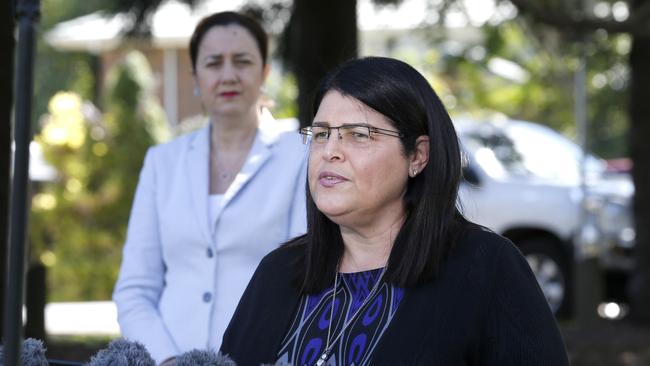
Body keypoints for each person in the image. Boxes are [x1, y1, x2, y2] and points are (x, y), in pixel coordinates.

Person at [220, 57, 570, 365]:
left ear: (418, 156)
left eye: (358, 135)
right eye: (322, 134)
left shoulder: (485, 268)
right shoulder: (279, 272)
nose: (331, 151)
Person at [112, 12, 307, 365]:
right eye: (214, 63)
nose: (228, 74)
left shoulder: (302, 156)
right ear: (196, 78)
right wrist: (168, 360)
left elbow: (305, 280)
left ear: (264, 72)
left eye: (243, 61)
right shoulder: (162, 162)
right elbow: (135, 290)